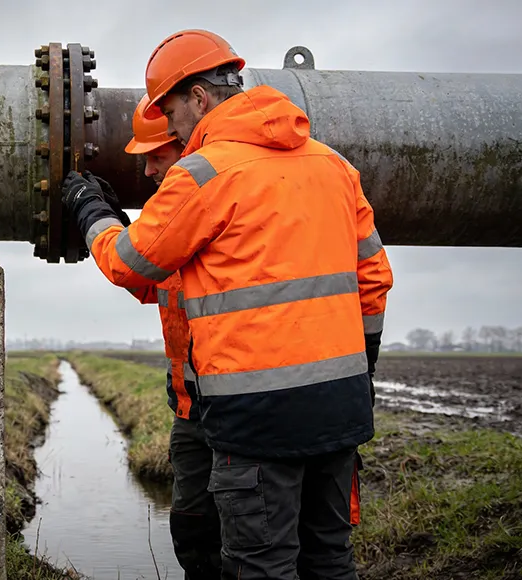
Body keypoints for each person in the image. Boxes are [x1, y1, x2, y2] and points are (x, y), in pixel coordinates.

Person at [61, 29, 393, 580]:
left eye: (170, 113)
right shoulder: (334, 165)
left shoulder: (203, 172)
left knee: (260, 566)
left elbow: (127, 263)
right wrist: (361, 369)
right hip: (341, 406)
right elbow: (374, 278)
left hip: (255, 419)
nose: (172, 128)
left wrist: (92, 211)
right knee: (329, 560)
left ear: (198, 98)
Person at [122, 93, 222, 579]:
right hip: (189, 409)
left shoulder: (220, 195)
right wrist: (120, 231)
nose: (147, 172)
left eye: (156, 157)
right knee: (192, 528)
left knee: (251, 536)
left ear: (185, 141)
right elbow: (149, 282)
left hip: (237, 406)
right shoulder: (175, 216)